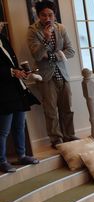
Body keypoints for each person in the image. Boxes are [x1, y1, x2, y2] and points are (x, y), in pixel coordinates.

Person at [27, 0, 77, 148]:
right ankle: (56, 139)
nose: (47, 18)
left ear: (54, 15)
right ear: (38, 15)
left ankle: (69, 135)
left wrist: (52, 56)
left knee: (67, 107)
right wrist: (46, 39)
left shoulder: (61, 28)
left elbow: (71, 51)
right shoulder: (33, 31)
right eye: (43, 15)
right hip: (46, 76)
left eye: (50, 15)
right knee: (51, 111)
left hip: (62, 73)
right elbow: (36, 55)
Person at [0, 33, 40, 173]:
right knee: (3, 130)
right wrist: (11, 72)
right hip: (3, 94)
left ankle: (22, 155)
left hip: (16, 90)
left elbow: (12, 63)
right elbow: (8, 69)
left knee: (19, 125)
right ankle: (2, 161)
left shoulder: (3, 39)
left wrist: (21, 72)